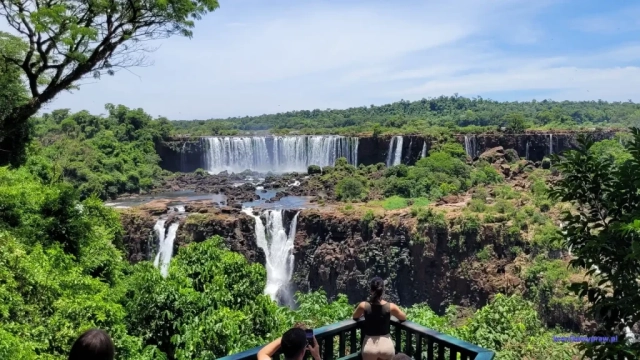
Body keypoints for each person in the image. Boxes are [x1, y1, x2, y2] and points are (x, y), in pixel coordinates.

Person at [352, 277, 407, 360]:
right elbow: (403, 317)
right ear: (382, 291)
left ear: (371, 290)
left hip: (369, 348)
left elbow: (355, 316)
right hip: (386, 348)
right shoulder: (390, 307)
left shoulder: (363, 305)